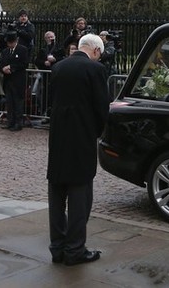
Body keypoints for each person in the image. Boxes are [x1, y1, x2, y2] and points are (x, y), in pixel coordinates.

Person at [47, 33, 110, 266]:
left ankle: (57, 246)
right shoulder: (95, 70)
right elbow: (102, 107)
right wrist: (96, 131)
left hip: (58, 136)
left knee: (56, 192)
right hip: (81, 136)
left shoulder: (59, 68)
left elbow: (52, 101)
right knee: (79, 194)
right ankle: (75, 249)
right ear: (95, 50)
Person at [0, 33, 29, 131]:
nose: (10, 44)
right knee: (10, 102)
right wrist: (3, 69)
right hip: (8, 80)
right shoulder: (5, 51)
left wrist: (12, 68)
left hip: (18, 80)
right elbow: (1, 63)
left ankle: (18, 123)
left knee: (18, 102)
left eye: (11, 42)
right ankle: (10, 121)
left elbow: (24, 63)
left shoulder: (22, 50)